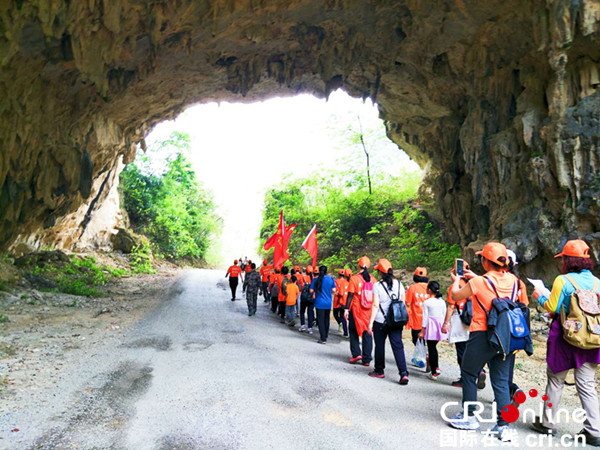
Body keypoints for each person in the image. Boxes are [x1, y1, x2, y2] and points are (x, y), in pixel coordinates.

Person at [447, 242, 520, 442]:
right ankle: (503, 426)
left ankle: (470, 416)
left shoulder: (479, 282)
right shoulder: (514, 281)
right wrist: (475, 279)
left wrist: (458, 280)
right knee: (501, 381)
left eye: (482, 258)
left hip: (482, 334)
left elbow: (455, 296)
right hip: (506, 336)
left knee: (469, 372)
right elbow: (495, 287)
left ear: (486, 261)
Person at [531, 239, 600, 446]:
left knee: (556, 380)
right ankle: (594, 430)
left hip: (565, 337)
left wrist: (539, 297)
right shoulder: (598, 282)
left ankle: (547, 424)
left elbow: (551, 306)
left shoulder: (563, 280)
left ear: (567, 261)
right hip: (591, 337)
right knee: (587, 384)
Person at [368, 258, 409, 385]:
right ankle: (403, 373)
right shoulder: (399, 284)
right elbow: (402, 302)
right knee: (398, 346)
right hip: (396, 320)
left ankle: (379, 370)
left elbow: (375, 305)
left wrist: (370, 323)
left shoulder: (377, 286)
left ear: (380, 272)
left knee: (379, 345)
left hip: (381, 320)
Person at [442, 260, 473, 388]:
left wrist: (445, 323)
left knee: (461, 351)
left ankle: (464, 378)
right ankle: (479, 371)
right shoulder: (473, 284)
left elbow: (450, 306)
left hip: (460, 320)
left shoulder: (455, 286)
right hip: (473, 321)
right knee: (471, 350)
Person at [505, 249, 529, 404]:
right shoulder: (519, 283)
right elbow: (525, 306)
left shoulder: (490, 280)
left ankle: (510, 390)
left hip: (496, 327)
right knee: (508, 363)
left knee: (496, 364)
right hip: (514, 328)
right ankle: (510, 392)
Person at [344, 256, 373, 366]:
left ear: (358, 265)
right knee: (367, 333)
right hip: (369, 311)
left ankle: (356, 354)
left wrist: (346, 309)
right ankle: (367, 359)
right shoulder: (372, 279)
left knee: (353, 331)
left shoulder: (354, 278)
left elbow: (350, 295)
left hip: (356, 310)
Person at [419, 281, 448, 381]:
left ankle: (434, 371)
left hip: (431, 325)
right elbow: (445, 314)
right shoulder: (442, 302)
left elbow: (425, 317)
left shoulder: (427, 302)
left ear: (430, 290)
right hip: (440, 325)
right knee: (434, 346)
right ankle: (436, 367)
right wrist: (446, 325)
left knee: (431, 347)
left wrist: (423, 330)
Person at [405, 267, 431, 367]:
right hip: (429, 319)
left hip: (416, 319)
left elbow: (407, 303)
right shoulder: (430, 287)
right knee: (427, 340)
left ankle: (423, 356)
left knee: (416, 339)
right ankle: (426, 356)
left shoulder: (412, 288)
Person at [310, 265, 336, 344]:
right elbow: (334, 290)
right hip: (328, 303)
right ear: (326, 271)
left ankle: (323, 338)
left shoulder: (315, 280)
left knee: (320, 320)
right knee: (326, 319)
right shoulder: (331, 279)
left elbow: (311, 290)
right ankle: (326, 335)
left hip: (319, 302)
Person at [299, 266, 315, 334]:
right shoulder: (314, 279)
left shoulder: (302, 278)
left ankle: (303, 325)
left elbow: (301, 287)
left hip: (304, 298)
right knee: (310, 312)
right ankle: (310, 328)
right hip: (311, 298)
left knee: (302, 311)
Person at [333, 269, 349, 336]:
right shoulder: (349, 282)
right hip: (346, 301)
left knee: (335, 314)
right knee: (343, 316)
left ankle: (340, 323)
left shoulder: (336, 281)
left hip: (338, 300)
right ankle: (345, 331)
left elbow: (335, 290)